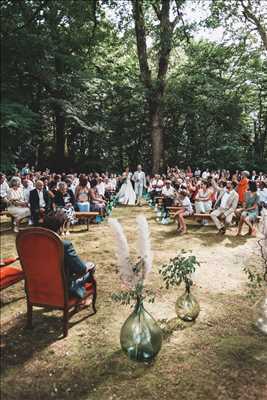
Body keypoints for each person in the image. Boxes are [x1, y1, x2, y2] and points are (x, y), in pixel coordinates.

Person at [43, 214, 96, 301]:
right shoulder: (64, 245)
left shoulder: (35, 244)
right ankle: (78, 295)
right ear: (60, 228)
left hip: (42, 283)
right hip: (62, 284)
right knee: (90, 266)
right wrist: (89, 266)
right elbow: (81, 269)